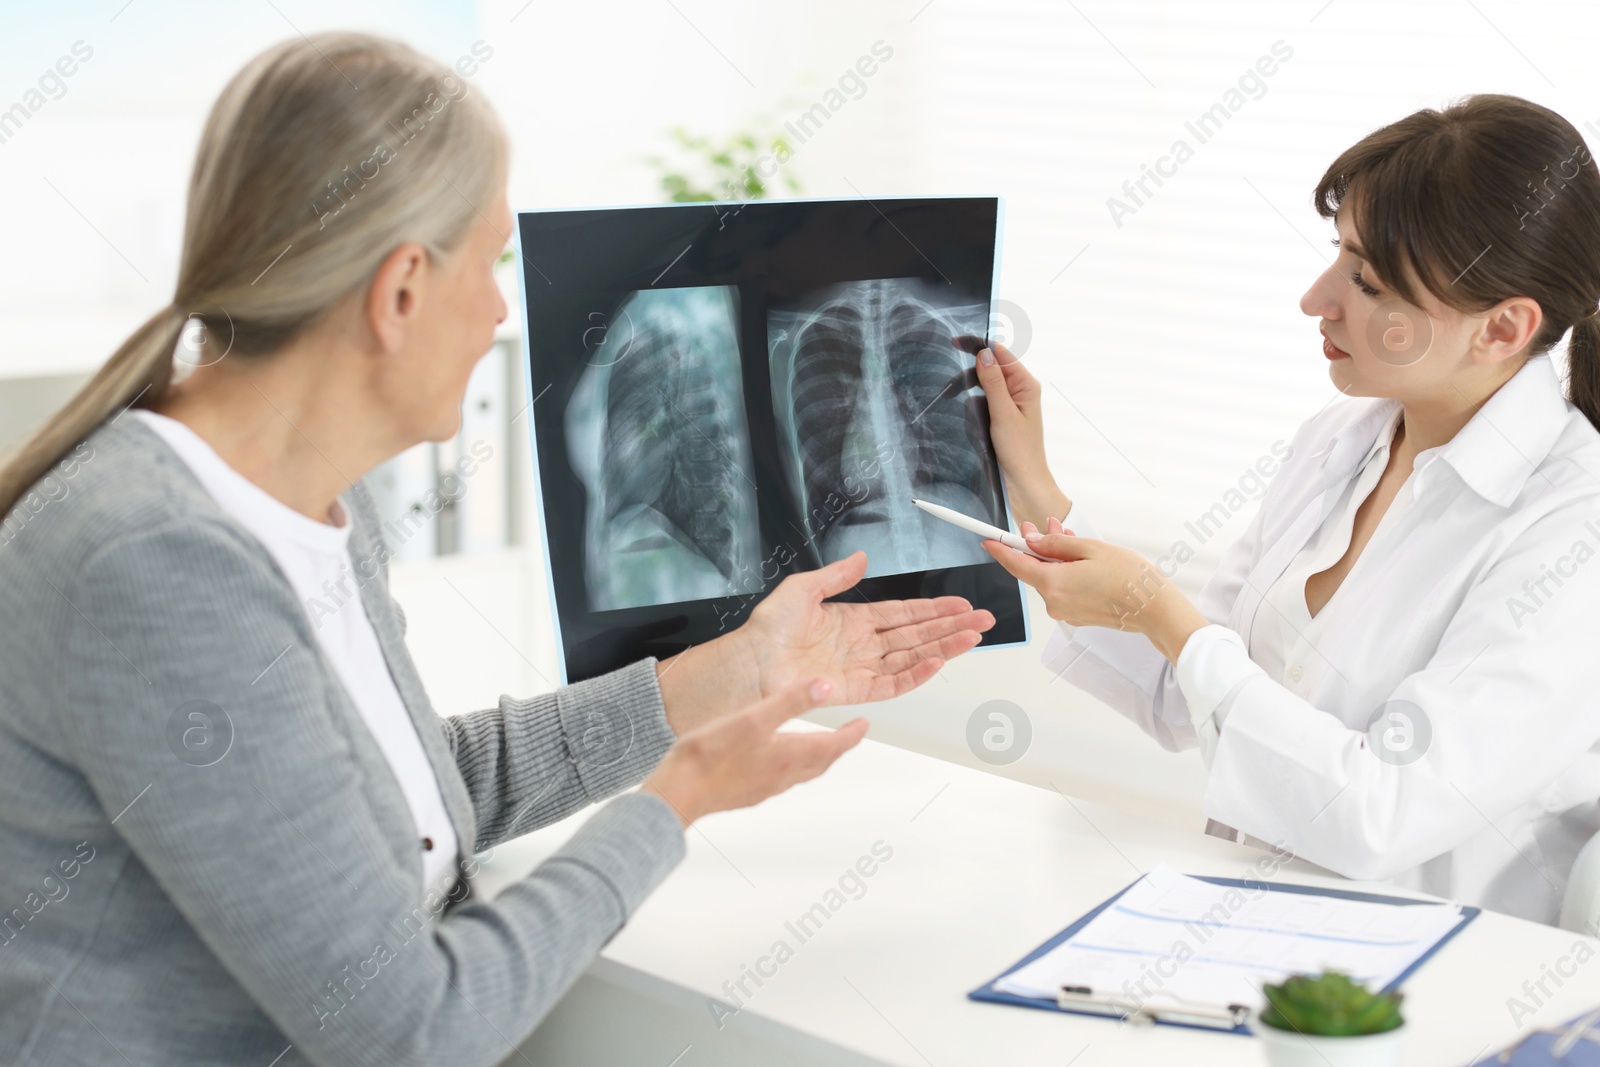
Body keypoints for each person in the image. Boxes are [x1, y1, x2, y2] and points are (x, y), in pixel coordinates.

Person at [0, 33, 996, 1067]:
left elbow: (407, 802)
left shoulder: (314, 506)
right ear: (399, 294)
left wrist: (742, 669)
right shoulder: (153, 563)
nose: (499, 312)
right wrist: (676, 803)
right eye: (488, 263)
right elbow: (412, 1028)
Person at [976, 93, 1600, 925]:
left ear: (1504, 327)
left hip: (1432, 989)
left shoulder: (1572, 527)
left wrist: (1165, 613)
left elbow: (1383, 811)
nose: (1317, 299)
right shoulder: (1338, 443)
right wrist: (1033, 484)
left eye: (1368, 282)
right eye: (1338, 257)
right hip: (1252, 930)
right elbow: (1186, 689)